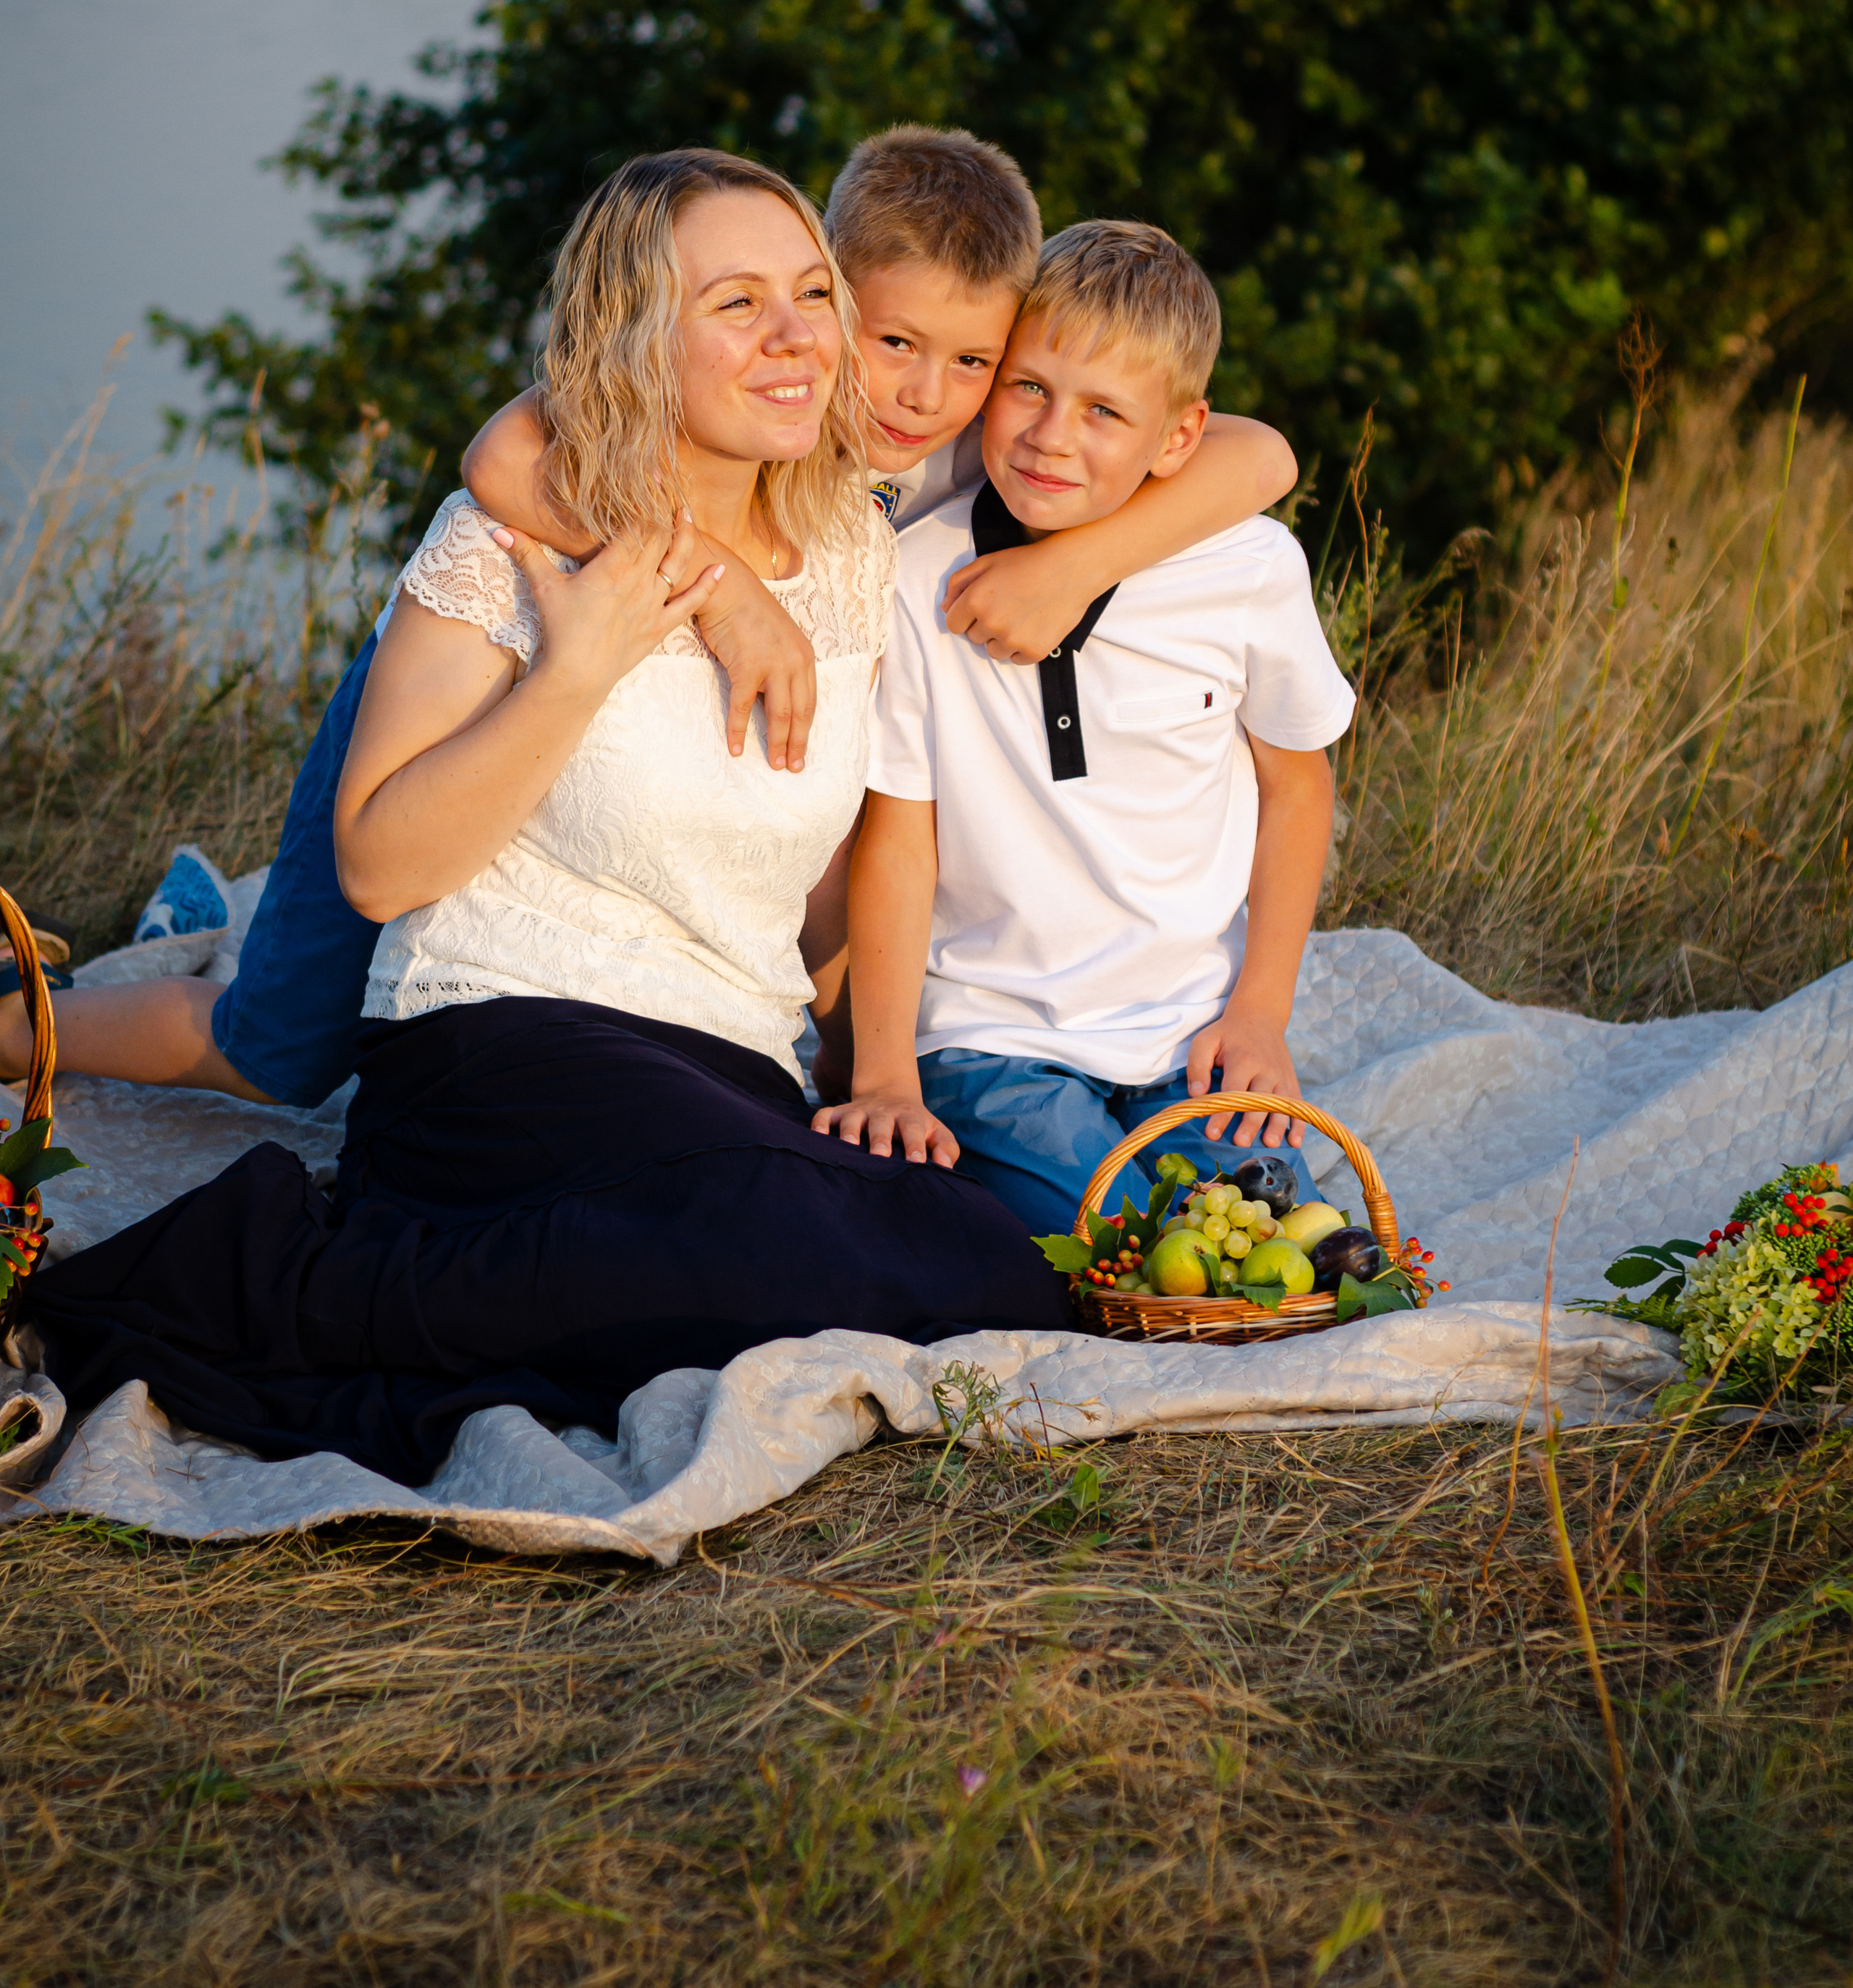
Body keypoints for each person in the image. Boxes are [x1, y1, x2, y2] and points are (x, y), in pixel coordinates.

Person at [29, 152, 1069, 1487]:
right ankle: (276, 1280)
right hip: (506, 1042)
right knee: (776, 1223)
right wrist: (576, 670)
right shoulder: (514, 533)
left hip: (722, 1065)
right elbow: (378, 863)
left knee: (979, 1254)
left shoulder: (857, 554)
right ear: (641, 333)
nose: (800, 333)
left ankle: (581, 1273)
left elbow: (795, 894)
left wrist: (885, 1047)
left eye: (813, 292)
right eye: (738, 303)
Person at [5, 126, 1296, 1111]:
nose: (923, 393)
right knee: (277, 1048)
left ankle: (193, 947)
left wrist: (1080, 568)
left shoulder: (974, 444)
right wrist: (727, 591)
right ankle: (37, 1022)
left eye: (973, 362)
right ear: (827, 293)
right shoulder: (776, 375)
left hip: (687, 799)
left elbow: (1257, 455)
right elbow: (503, 455)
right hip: (477, 676)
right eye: (892, 341)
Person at [817, 219, 1356, 1233]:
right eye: (1028, 386)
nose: (1051, 434)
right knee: (1112, 1247)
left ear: (1180, 437)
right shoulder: (914, 571)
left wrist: (1260, 1014)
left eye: (1105, 410)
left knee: (1293, 1247)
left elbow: (1299, 786)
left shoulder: (1246, 569)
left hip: (1191, 1036)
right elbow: (899, 837)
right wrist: (887, 1070)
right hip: (987, 1037)